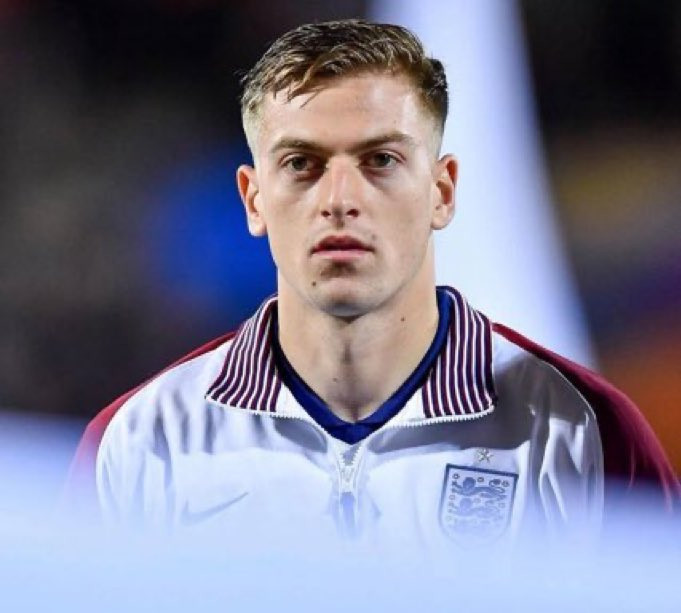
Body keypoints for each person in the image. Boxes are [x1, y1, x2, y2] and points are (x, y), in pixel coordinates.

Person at [65, 19, 678, 548]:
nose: (340, 200)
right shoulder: (140, 443)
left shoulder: (582, 431)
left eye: (381, 160)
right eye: (301, 164)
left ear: (442, 192)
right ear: (253, 199)